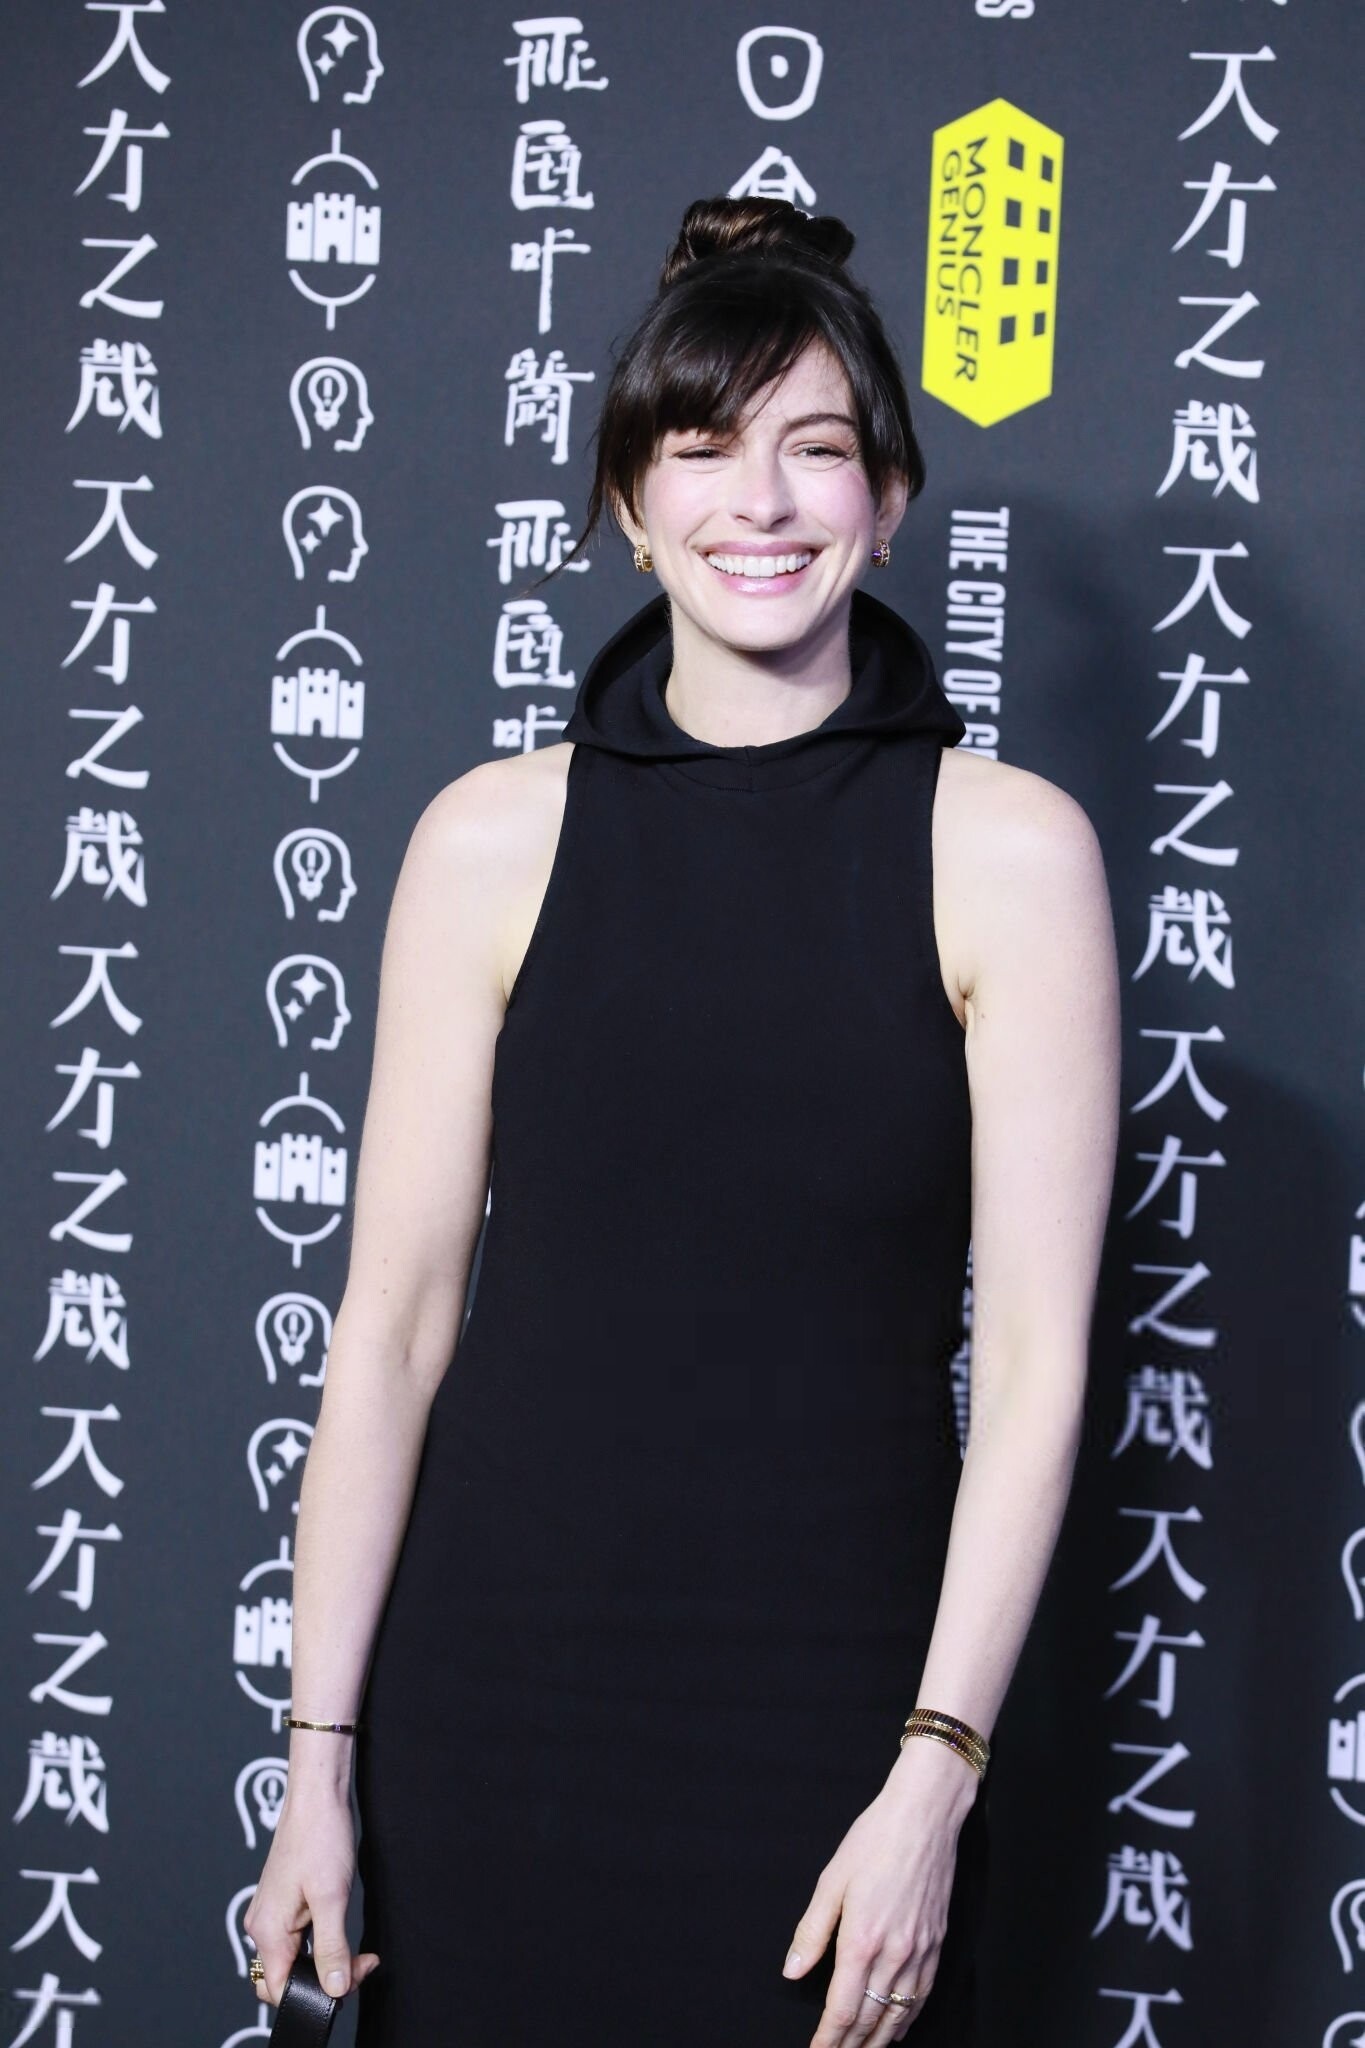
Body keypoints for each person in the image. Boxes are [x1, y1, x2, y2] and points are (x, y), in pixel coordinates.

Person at [244, 195, 1120, 2046]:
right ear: (630, 505)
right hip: (497, 1714)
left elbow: (1040, 1362)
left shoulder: (1007, 854)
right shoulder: (487, 839)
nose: (763, 503)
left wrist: (935, 1775)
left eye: (819, 449)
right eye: (702, 448)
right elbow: (390, 1329)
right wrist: (318, 1760)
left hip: (842, 1724)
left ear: (891, 496)